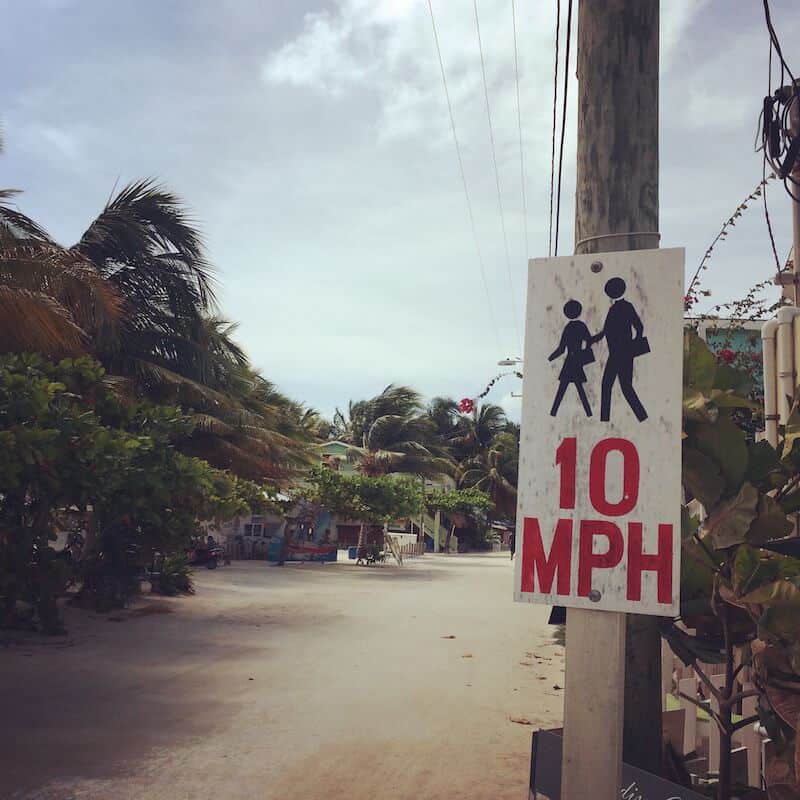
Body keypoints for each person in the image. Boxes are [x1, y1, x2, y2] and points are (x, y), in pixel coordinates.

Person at [590, 277, 648, 422]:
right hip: (616, 353)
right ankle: (639, 416)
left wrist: (632, 346)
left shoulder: (625, 307)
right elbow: (606, 331)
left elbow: (639, 327)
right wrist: (592, 340)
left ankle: (608, 419)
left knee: (617, 386)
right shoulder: (614, 309)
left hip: (622, 353)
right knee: (621, 386)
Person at [548, 299, 595, 418]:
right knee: (579, 389)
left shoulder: (568, 328)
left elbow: (561, 349)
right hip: (577, 361)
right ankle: (589, 413)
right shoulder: (581, 326)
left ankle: (553, 412)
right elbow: (589, 341)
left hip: (569, 362)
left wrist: (549, 359)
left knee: (562, 389)